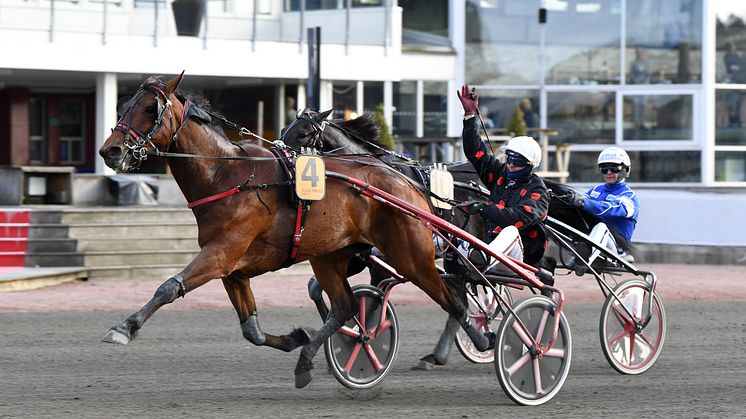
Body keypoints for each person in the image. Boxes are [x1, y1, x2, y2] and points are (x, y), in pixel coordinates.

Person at [414, 84, 551, 370]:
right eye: (508, 158)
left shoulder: (537, 190)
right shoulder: (500, 176)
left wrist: (486, 208)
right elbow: (475, 152)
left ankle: (478, 256)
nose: (509, 163)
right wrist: (469, 114)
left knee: (510, 229)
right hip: (489, 248)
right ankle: (419, 251)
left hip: (516, 257)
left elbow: (520, 217)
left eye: (516, 161)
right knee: (449, 227)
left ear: (528, 165)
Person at [569, 147, 640, 275]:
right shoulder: (596, 189)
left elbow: (611, 209)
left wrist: (583, 202)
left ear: (625, 170)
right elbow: (580, 205)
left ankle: (583, 261)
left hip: (616, 250)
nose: (608, 173)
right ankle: (580, 253)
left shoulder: (629, 197)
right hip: (594, 243)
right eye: (604, 169)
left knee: (601, 226)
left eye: (614, 168)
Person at [629, 48, 650, 133]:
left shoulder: (646, 63)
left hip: (643, 88)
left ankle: (641, 123)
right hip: (635, 87)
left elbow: (648, 74)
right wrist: (637, 82)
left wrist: (644, 83)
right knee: (635, 105)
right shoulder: (633, 63)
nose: (639, 54)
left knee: (642, 105)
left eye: (640, 53)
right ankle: (635, 124)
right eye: (637, 53)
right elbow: (632, 75)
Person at [724, 42, 743, 126]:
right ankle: (733, 120)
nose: (732, 47)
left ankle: (737, 120)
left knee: (738, 102)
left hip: (739, 81)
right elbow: (731, 67)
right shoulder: (728, 56)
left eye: (733, 45)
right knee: (733, 102)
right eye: (730, 46)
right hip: (733, 81)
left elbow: (741, 66)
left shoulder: (738, 55)